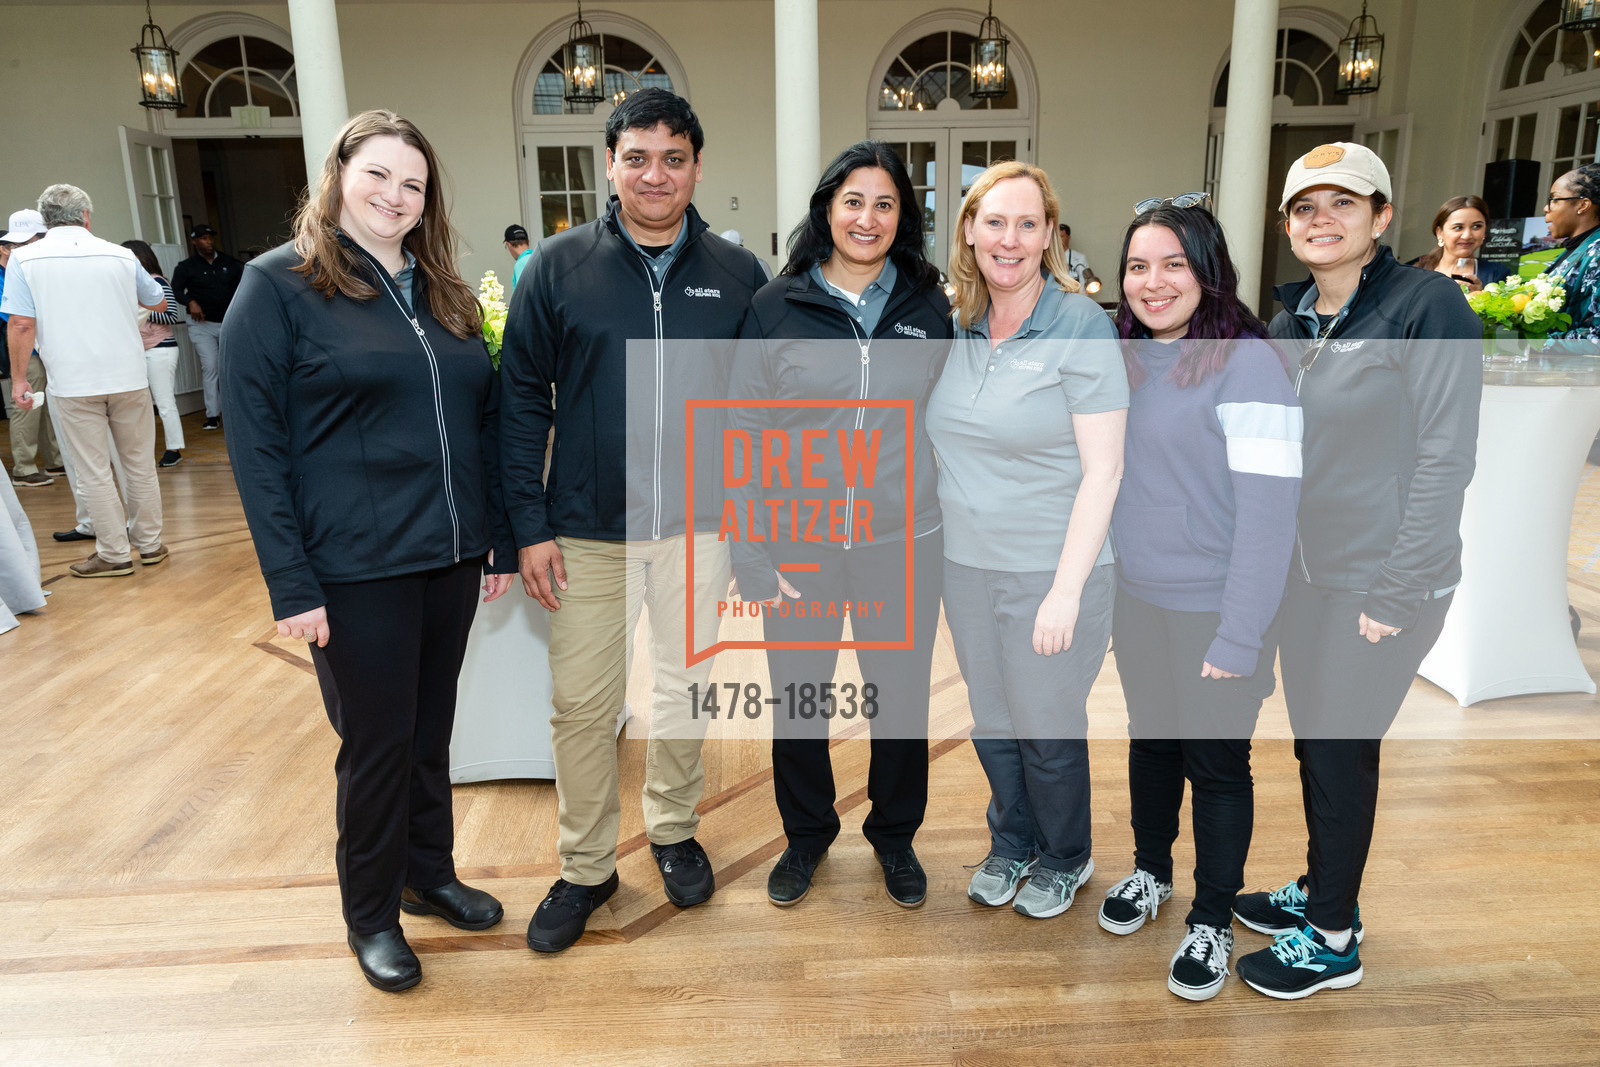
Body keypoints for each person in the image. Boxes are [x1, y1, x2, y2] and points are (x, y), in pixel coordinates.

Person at [221, 110, 516, 993]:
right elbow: (255, 444)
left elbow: (486, 418)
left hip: (450, 557)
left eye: (413, 184)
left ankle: (430, 875)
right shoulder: (278, 286)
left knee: (430, 736)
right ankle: (371, 913)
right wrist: (290, 580)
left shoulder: (442, 291)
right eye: (378, 175)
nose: (395, 196)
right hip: (353, 569)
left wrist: (492, 534)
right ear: (338, 175)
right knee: (378, 745)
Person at [498, 88, 766, 952]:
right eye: (638, 156)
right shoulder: (556, 268)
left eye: (674, 157)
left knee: (686, 687)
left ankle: (674, 827)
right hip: (584, 529)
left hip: (702, 527)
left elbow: (762, 408)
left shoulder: (735, 274)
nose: (656, 174)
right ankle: (584, 865)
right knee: (582, 704)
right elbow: (519, 407)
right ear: (609, 163)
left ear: (695, 168)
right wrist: (528, 526)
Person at [1232, 142, 1481, 999]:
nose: (1321, 219)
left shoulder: (1427, 305)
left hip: (1382, 580)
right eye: (1306, 207)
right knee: (1320, 745)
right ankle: (1325, 884)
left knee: (1340, 748)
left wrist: (1397, 585)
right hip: (1306, 578)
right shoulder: (1291, 319)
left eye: (1345, 203)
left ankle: (1334, 936)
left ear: (1381, 218)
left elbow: (1447, 459)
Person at [727, 141, 953, 909]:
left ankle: (895, 836)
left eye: (885, 203)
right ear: (828, 208)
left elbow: (952, 423)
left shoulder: (929, 306)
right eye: (854, 201)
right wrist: (751, 550)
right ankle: (806, 835)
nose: (868, 217)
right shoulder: (776, 306)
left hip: (903, 545)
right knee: (800, 702)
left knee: (900, 703)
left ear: (903, 218)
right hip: (802, 546)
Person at [1096, 199, 1301, 1001]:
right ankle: (1152, 872)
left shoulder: (1247, 362)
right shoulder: (1123, 355)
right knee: (1153, 745)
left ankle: (1210, 916)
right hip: (1140, 600)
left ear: (1208, 270)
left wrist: (1240, 635)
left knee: (1216, 766)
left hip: (1219, 608)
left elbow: (1269, 517)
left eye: (1173, 264)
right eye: (1138, 266)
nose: (1152, 283)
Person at [926, 161, 1127, 920]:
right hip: (967, 567)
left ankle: (1066, 854)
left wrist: (1066, 589)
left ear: (1050, 235)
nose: (1009, 239)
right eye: (994, 222)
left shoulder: (1081, 323)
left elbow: (1104, 472)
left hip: (1054, 566)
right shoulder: (959, 322)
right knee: (995, 720)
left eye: (1027, 223)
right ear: (969, 231)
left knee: (1047, 726)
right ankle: (1011, 841)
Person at [2, 184, 168, 578]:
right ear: (86, 217)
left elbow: (22, 324)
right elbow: (158, 301)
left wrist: (20, 380)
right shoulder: (122, 254)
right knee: (139, 465)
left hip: (74, 382)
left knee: (93, 470)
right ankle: (150, 544)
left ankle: (113, 553)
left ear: (46, 221)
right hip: (128, 375)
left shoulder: (25, 259)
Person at [1, 209, 62, 487]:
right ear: (5, 249)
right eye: (17, 246)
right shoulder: (7, 274)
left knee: (47, 406)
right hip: (27, 351)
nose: (22, 250)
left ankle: (54, 460)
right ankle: (24, 468)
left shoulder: (27, 267)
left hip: (45, 346)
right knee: (26, 405)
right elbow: (14, 318)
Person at [171, 222, 242, 430]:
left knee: (232, 367)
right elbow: (175, 291)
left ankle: (236, 412)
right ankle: (212, 415)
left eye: (210, 238)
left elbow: (243, 288)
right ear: (194, 241)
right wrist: (190, 301)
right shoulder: (186, 267)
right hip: (202, 325)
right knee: (211, 366)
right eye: (203, 238)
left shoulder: (229, 263)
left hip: (229, 323)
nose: (208, 242)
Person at [122, 240, 186, 467]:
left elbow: (170, 316)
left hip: (160, 349)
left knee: (164, 402)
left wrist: (143, 309)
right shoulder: (128, 285)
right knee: (139, 404)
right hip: (137, 352)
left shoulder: (158, 282)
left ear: (142, 258)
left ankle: (174, 449)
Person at [1541, 164, 1600, 343]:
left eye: (1555, 199)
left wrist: (1530, 344)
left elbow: (1594, 335)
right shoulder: (1576, 249)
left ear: (1583, 205)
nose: (1546, 208)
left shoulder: (1597, 254)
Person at [1409, 195, 1508, 290]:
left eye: (1477, 226)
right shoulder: (1414, 270)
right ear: (1439, 232)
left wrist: (1480, 297)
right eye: (1458, 227)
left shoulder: (1497, 274)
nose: (1467, 236)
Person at [1058, 222, 1094, 288]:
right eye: (1057, 237)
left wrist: (1082, 297)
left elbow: (1084, 282)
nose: (1059, 239)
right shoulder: (1049, 258)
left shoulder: (1079, 258)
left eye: (1062, 236)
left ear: (1068, 237)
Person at [504, 223, 532, 289]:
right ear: (528, 241)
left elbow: (523, 296)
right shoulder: (540, 258)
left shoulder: (520, 264)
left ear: (508, 245)